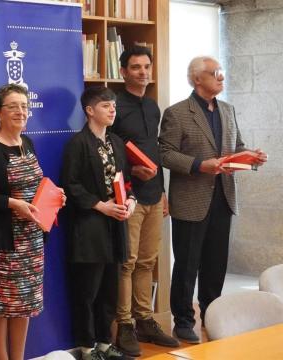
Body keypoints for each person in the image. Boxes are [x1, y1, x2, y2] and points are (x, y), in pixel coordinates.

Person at [159, 56, 268, 344]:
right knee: (187, 265)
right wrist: (198, 165)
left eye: (221, 73)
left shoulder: (228, 110)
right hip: (191, 200)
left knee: (215, 264)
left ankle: (212, 314)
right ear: (197, 79)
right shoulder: (177, 113)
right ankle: (183, 320)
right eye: (215, 73)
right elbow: (165, 153)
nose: (221, 77)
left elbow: (237, 148)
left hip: (224, 198)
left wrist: (252, 158)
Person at [0, 84, 65, 360]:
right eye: (13, 106)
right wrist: (13, 205)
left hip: (31, 240)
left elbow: (36, 185)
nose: (21, 111)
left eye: (24, 106)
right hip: (2, 241)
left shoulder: (28, 143)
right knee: (0, 305)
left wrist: (55, 196)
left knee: (25, 303)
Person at [111, 46, 179, 356]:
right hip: (128, 196)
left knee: (148, 262)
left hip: (154, 195)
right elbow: (108, 150)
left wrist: (163, 192)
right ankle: (124, 324)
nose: (142, 72)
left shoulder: (153, 107)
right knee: (127, 263)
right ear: (123, 71)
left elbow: (154, 152)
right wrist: (131, 169)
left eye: (146, 67)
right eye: (135, 67)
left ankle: (144, 319)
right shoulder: (113, 105)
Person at [61, 86, 136, 360]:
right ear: (89, 110)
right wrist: (100, 205)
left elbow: (126, 181)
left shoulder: (116, 142)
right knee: (88, 291)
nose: (112, 109)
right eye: (106, 105)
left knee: (109, 289)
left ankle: (106, 343)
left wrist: (130, 201)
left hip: (116, 223)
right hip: (90, 225)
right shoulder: (78, 144)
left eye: (114, 105)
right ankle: (87, 347)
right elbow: (70, 184)